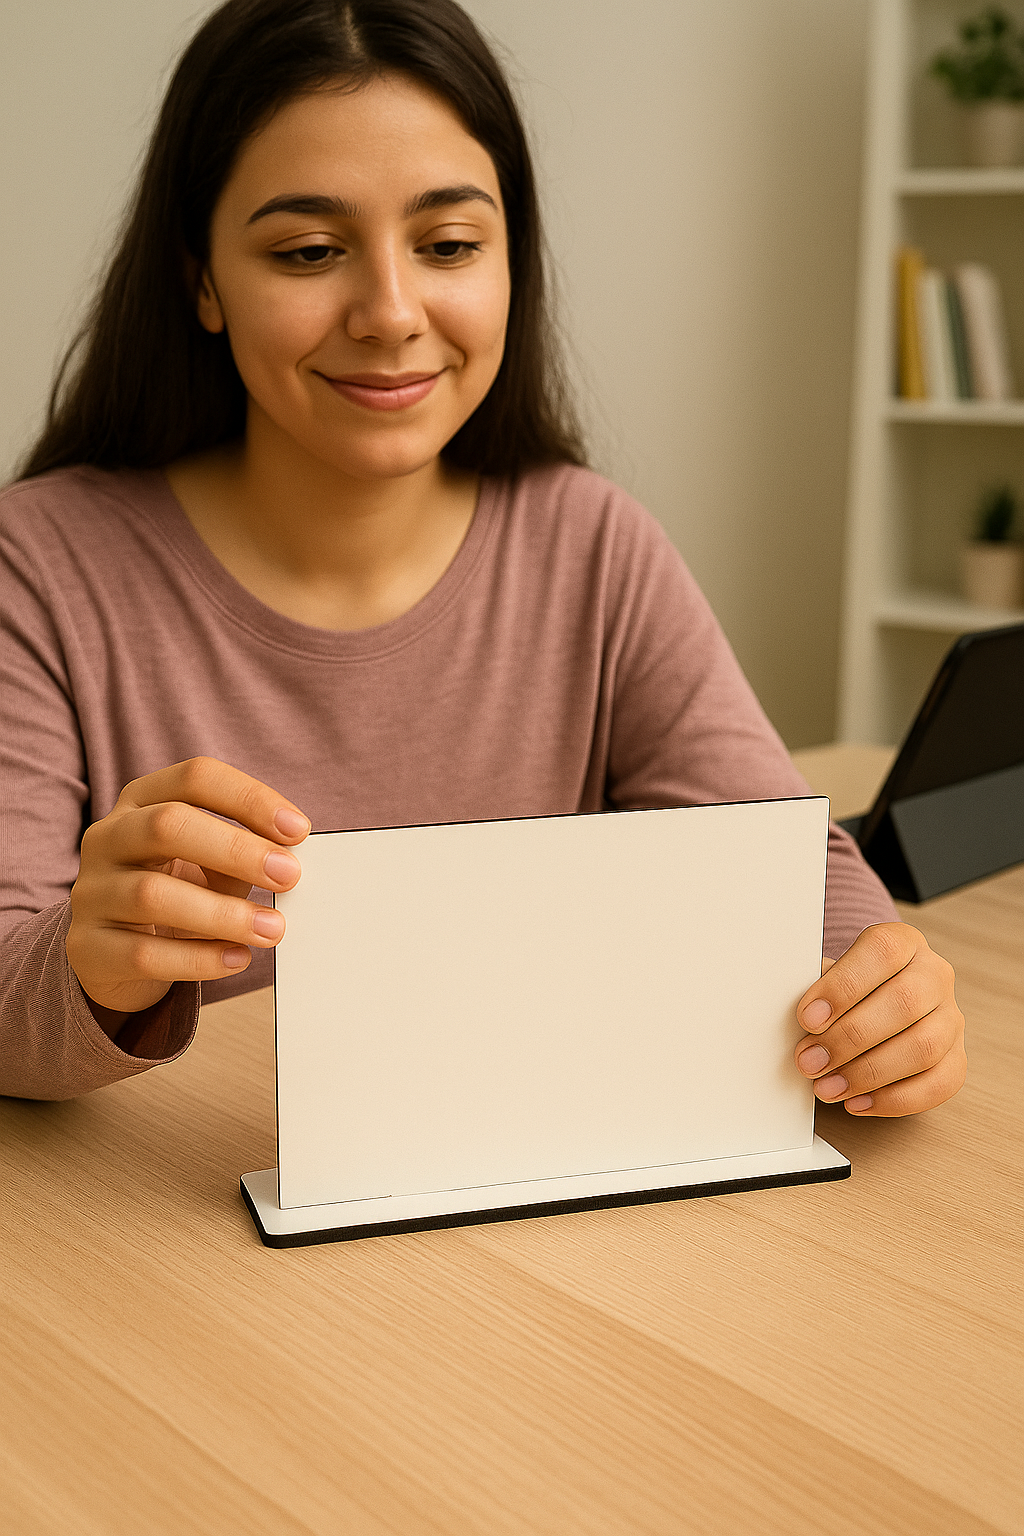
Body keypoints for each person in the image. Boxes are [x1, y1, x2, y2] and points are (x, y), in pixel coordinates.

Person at [0, 0, 965, 1113]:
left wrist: (883, 998)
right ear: (201, 279)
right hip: (172, 1202)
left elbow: (793, 876)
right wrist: (89, 961)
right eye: (308, 252)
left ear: (512, 261)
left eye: (450, 245)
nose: (390, 312)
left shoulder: (592, 545)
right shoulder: (39, 565)